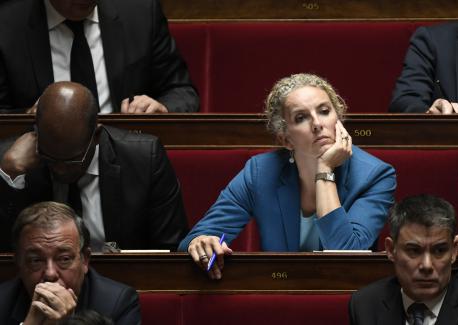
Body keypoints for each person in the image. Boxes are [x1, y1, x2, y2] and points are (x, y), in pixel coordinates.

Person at [179, 73, 397, 279]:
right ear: (286, 140)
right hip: (278, 293)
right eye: (301, 117)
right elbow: (197, 236)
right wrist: (201, 241)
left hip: (346, 297)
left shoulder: (375, 175)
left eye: (324, 111)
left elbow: (345, 255)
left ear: (338, 118)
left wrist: (325, 170)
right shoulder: (260, 172)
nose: (317, 124)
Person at [0, 81, 188, 251]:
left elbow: (171, 248)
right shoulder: (12, 159)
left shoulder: (144, 158)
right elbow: (7, 251)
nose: (59, 169)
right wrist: (9, 176)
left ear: (97, 136)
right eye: (50, 158)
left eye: (71, 160)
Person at [349, 194, 458, 325]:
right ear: (391, 250)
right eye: (413, 250)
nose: (427, 265)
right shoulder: (366, 305)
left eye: (439, 250)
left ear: (453, 252)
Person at [0, 0, 198, 113]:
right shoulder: (7, 27)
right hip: (41, 172)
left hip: (125, 169)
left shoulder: (141, 12)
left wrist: (162, 108)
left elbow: (181, 91)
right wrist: (29, 119)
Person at [0, 201, 141, 325]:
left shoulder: (117, 303)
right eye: (36, 260)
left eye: (64, 259)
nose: (50, 274)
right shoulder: (2, 302)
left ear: (85, 260)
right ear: (18, 263)